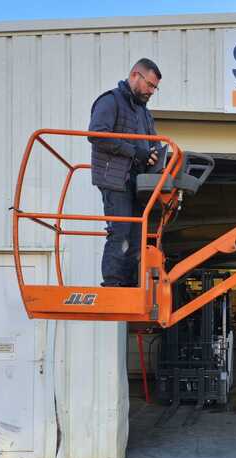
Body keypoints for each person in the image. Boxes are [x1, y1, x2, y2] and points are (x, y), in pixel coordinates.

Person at [88, 58, 162, 287]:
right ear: (134, 76)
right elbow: (97, 134)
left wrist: (155, 154)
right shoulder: (111, 101)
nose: (152, 91)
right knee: (120, 231)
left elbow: (151, 143)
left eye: (155, 87)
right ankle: (112, 283)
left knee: (138, 236)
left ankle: (130, 284)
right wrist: (135, 151)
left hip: (137, 182)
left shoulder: (144, 113)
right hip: (116, 179)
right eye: (150, 85)